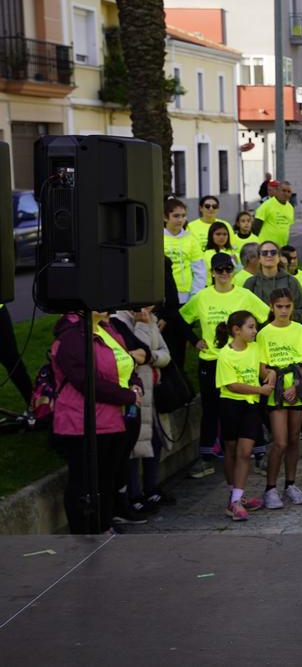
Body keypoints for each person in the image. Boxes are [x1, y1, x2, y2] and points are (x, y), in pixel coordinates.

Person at [51, 312, 143, 534]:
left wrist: (135, 384)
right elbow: (87, 381)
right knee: (83, 480)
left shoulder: (107, 329)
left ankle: (103, 526)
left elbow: (126, 363)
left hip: (113, 419)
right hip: (82, 421)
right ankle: (83, 533)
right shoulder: (71, 337)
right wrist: (127, 396)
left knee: (106, 477)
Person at [180, 253, 271, 478]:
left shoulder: (244, 295)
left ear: (233, 271)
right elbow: (181, 319)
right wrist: (194, 340)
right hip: (211, 360)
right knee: (211, 409)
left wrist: (255, 346)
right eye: (219, 269)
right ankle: (206, 458)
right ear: (212, 272)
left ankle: (259, 455)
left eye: (228, 269)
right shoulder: (202, 297)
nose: (224, 273)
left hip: (241, 359)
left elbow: (265, 316)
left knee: (250, 405)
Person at [111, 307, 172, 517]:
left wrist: (152, 356)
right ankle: (135, 495)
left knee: (155, 440)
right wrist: (143, 325)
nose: (147, 309)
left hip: (153, 394)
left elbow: (163, 355)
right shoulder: (120, 321)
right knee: (136, 445)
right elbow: (138, 351)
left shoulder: (151, 319)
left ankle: (151, 487)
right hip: (136, 395)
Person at [214, 310, 273, 521]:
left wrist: (271, 375)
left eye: (255, 326)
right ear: (236, 330)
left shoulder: (256, 348)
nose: (255, 331)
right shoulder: (224, 354)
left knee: (245, 451)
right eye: (251, 327)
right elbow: (232, 385)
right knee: (230, 450)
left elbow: (263, 371)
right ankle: (235, 495)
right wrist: (260, 390)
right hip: (231, 404)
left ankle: (237, 498)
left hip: (251, 407)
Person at [258, 288, 302, 510]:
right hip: (276, 391)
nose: (283, 311)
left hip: (296, 390)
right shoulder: (264, 334)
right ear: (272, 307)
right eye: (279, 307)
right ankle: (270, 487)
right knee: (279, 441)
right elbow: (261, 366)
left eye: (287, 306)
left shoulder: (299, 330)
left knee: (292, 439)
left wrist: (296, 386)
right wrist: (275, 384)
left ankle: (290, 483)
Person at [164, 198, 205, 304]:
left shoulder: (191, 239)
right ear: (165, 217)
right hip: (163, 295)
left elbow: (199, 270)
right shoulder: (156, 238)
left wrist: (195, 295)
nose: (180, 220)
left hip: (186, 296)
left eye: (183, 215)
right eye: (176, 216)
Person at [254, 180, 295, 247]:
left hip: (281, 247)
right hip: (265, 247)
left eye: (289, 192)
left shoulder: (290, 208)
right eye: (283, 190)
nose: (286, 193)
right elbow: (255, 227)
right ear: (277, 191)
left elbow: (287, 229)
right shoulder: (267, 205)